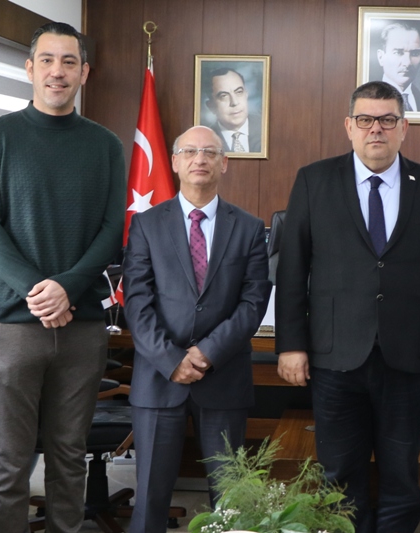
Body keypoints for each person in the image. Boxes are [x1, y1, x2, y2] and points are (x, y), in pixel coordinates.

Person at [275, 81, 420, 533]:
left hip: (409, 357)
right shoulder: (314, 180)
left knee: (402, 475)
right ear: (349, 126)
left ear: (404, 128)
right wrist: (290, 345)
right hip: (335, 357)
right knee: (340, 475)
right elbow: (292, 270)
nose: (375, 129)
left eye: (386, 120)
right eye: (365, 120)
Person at [0, 21, 125, 532]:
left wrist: (67, 287)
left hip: (81, 327)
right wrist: (39, 291)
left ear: (84, 73)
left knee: (68, 459)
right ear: (30, 68)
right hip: (12, 324)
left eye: (69, 62)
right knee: (10, 463)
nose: (58, 71)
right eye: (48, 60)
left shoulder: (105, 145)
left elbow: (111, 230)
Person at [123, 125, 271, 533]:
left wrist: (207, 352)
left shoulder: (249, 227)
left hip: (223, 377)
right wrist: (172, 360)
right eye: (189, 151)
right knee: (150, 499)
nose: (199, 159)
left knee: (230, 501)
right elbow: (137, 301)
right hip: (159, 379)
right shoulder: (147, 224)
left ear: (224, 163)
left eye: (209, 152)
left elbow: (253, 302)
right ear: (174, 162)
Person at [374, 22, 420, 113]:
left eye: (415, 53)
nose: (407, 63)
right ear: (381, 57)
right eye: (398, 53)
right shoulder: (366, 100)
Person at [205, 67, 262, 153]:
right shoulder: (205, 137)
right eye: (223, 96)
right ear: (211, 106)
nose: (234, 102)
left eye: (239, 92)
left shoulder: (267, 127)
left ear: (246, 95)